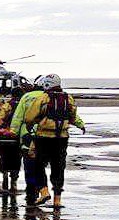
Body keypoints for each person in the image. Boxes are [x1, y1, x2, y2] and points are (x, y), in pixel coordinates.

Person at [18, 74, 85, 208]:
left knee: (38, 165)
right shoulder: (68, 98)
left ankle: (44, 192)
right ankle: (57, 200)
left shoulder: (43, 98)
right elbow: (73, 116)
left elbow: (30, 117)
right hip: (62, 138)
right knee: (58, 167)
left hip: (43, 137)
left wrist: (29, 125)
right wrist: (81, 124)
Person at [11, 77, 51, 205]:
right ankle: (43, 191)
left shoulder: (26, 97)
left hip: (27, 137)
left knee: (29, 167)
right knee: (40, 167)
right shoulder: (48, 97)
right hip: (45, 137)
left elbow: (18, 117)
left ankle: (31, 195)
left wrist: (13, 133)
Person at [0, 86, 25, 195]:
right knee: (17, 158)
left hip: (6, 136)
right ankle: (14, 181)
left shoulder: (8, 105)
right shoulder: (24, 105)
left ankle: (5, 175)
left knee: (4, 156)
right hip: (19, 137)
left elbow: (0, 119)